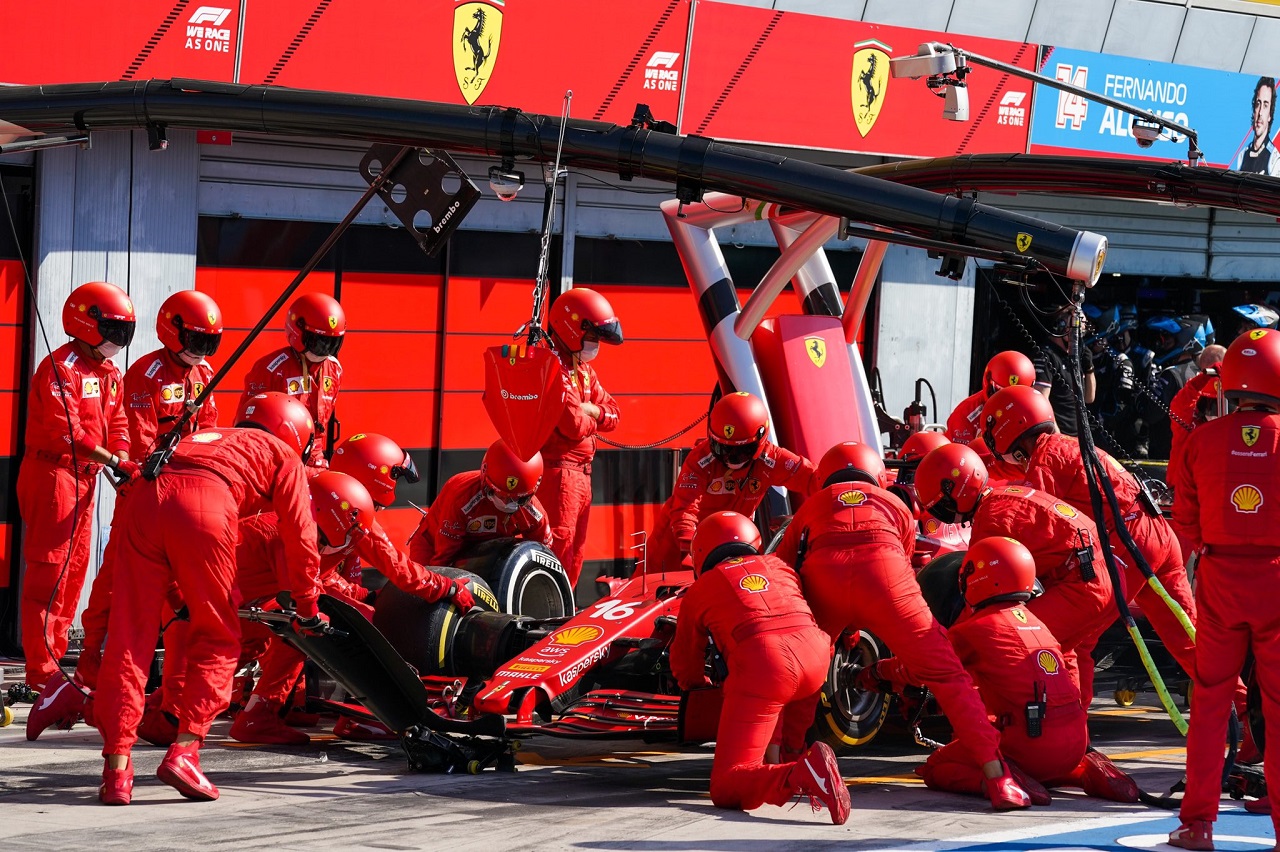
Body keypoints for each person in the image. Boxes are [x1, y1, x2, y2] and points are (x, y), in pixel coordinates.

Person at [95, 392, 324, 805]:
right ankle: (185, 752)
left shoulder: (203, 434)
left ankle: (116, 771)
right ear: (294, 433)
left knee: (129, 640)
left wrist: (175, 593)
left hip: (144, 498)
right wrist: (307, 606)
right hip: (205, 503)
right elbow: (301, 537)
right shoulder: (283, 455)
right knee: (218, 636)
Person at [775, 441, 1031, 810]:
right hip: (887, 580)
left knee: (803, 675)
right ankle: (998, 777)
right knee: (948, 676)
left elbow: (788, 572)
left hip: (824, 577)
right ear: (879, 476)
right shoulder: (896, 505)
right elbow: (905, 557)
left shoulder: (811, 507)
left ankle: (784, 764)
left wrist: (829, 634)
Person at [979, 385, 1228, 740]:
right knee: (1192, 644)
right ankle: (1253, 719)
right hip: (1157, 533)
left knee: (1072, 636)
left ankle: (1068, 732)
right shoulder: (1076, 445)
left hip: (1128, 543)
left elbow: (1038, 520)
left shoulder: (1045, 459)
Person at [38, 291, 224, 738]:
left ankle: (167, 705)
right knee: (110, 596)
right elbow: (136, 442)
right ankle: (83, 682)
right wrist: (134, 469)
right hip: (144, 499)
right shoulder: (145, 374)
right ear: (171, 330)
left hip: (189, 503)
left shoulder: (206, 374)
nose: (199, 352)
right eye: (194, 341)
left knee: (184, 605)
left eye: (208, 343)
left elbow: (213, 432)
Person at [868, 537, 1138, 804]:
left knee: (935, 768)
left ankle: (1009, 777)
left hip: (1030, 747)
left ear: (976, 579)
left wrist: (875, 673)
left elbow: (922, 668)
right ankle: (1086, 772)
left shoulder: (973, 630)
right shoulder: (1043, 623)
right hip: (1075, 744)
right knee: (1037, 745)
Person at [1168, 327, 1280, 849]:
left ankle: (1197, 826)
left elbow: (1184, 522)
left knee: (1211, 702)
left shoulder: (1200, 440)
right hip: (1277, 579)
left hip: (1218, 581)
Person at [668, 511, 850, 824]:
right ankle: (797, 760)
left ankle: (800, 774)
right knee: (782, 713)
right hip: (817, 654)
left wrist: (700, 685)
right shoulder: (780, 566)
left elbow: (686, 665)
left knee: (726, 787)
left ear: (701, 554)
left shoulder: (701, 588)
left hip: (765, 664)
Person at [915, 443, 1115, 705]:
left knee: (1000, 645)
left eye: (940, 505)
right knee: (1060, 653)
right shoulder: (1009, 494)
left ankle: (1005, 730)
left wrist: (942, 648)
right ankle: (1073, 735)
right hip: (1103, 575)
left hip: (1083, 585)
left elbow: (978, 601)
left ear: (956, 491)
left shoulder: (990, 520)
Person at [17, 281, 134, 708]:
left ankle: (56, 658)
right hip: (52, 475)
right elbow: (67, 430)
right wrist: (114, 459)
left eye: (125, 331)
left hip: (85, 479)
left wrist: (119, 452)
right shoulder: (60, 367)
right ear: (86, 323)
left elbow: (117, 420)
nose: (119, 341)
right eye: (113, 330)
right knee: (49, 575)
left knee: (75, 571)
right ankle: (41, 671)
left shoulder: (110, 373)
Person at [645, 391, 815, 574]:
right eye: (723, 448)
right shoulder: (701, 460)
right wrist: (691, 544)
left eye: (740, 451)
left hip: (732, 541)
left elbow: (813, 477)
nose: (730, 459)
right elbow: (685, 508)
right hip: (678, 543)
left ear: (760, 439)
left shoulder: (772, 459)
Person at [536, 287, 622, 588]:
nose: (596, 344)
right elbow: (572, 425)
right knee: (557, 548)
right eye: (593, 336)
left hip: (582, 475)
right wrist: (594, 415)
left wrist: (592, 410)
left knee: (575, 553)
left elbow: (616, 415)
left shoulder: (585, 372)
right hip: (559, 474)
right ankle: (545, 614)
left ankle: (562, 616)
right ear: (573, 327)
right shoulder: (551, 366)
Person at [242, 292, 345, 468]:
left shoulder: (334, 369)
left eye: (331, 343)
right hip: (276, 461)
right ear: (299, 330)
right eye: (319, 341)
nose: (325, 349)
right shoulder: (270, 368)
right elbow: (246, 425)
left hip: (316, 460)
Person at [411, 439, 552, 567]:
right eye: (499, 495)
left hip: (486, 555)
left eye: (517, 499)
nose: (506, 504)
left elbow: (545, 558)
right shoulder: (461, 496)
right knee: (427, 587)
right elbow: (443, 558)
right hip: (434, 545)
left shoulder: (535, 514)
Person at [946, 350, 1035, 460]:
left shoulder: (1036, 410)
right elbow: (957, 461)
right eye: (1000, 393)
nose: (1008, 403)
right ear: (988, 382)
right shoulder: (965, 415)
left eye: (1016, 395)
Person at [1032, 307, 1094, 438]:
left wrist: (1089, 369)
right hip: (1058, 437)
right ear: (1061, 327)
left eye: (1080, 334)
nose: (1078, 339)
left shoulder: (1074, 357)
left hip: (1078, 438)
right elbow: (1040, 401)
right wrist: (1058, 437)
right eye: (1075, 333)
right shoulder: (1046, 356)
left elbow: (1089, 398)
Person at [1233, 77, 1280, 176]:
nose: (1260, 113)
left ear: (1270, 115)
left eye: (1265, 105)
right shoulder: (1243, 155)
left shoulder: (1274, 158)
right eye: (1258, 104)